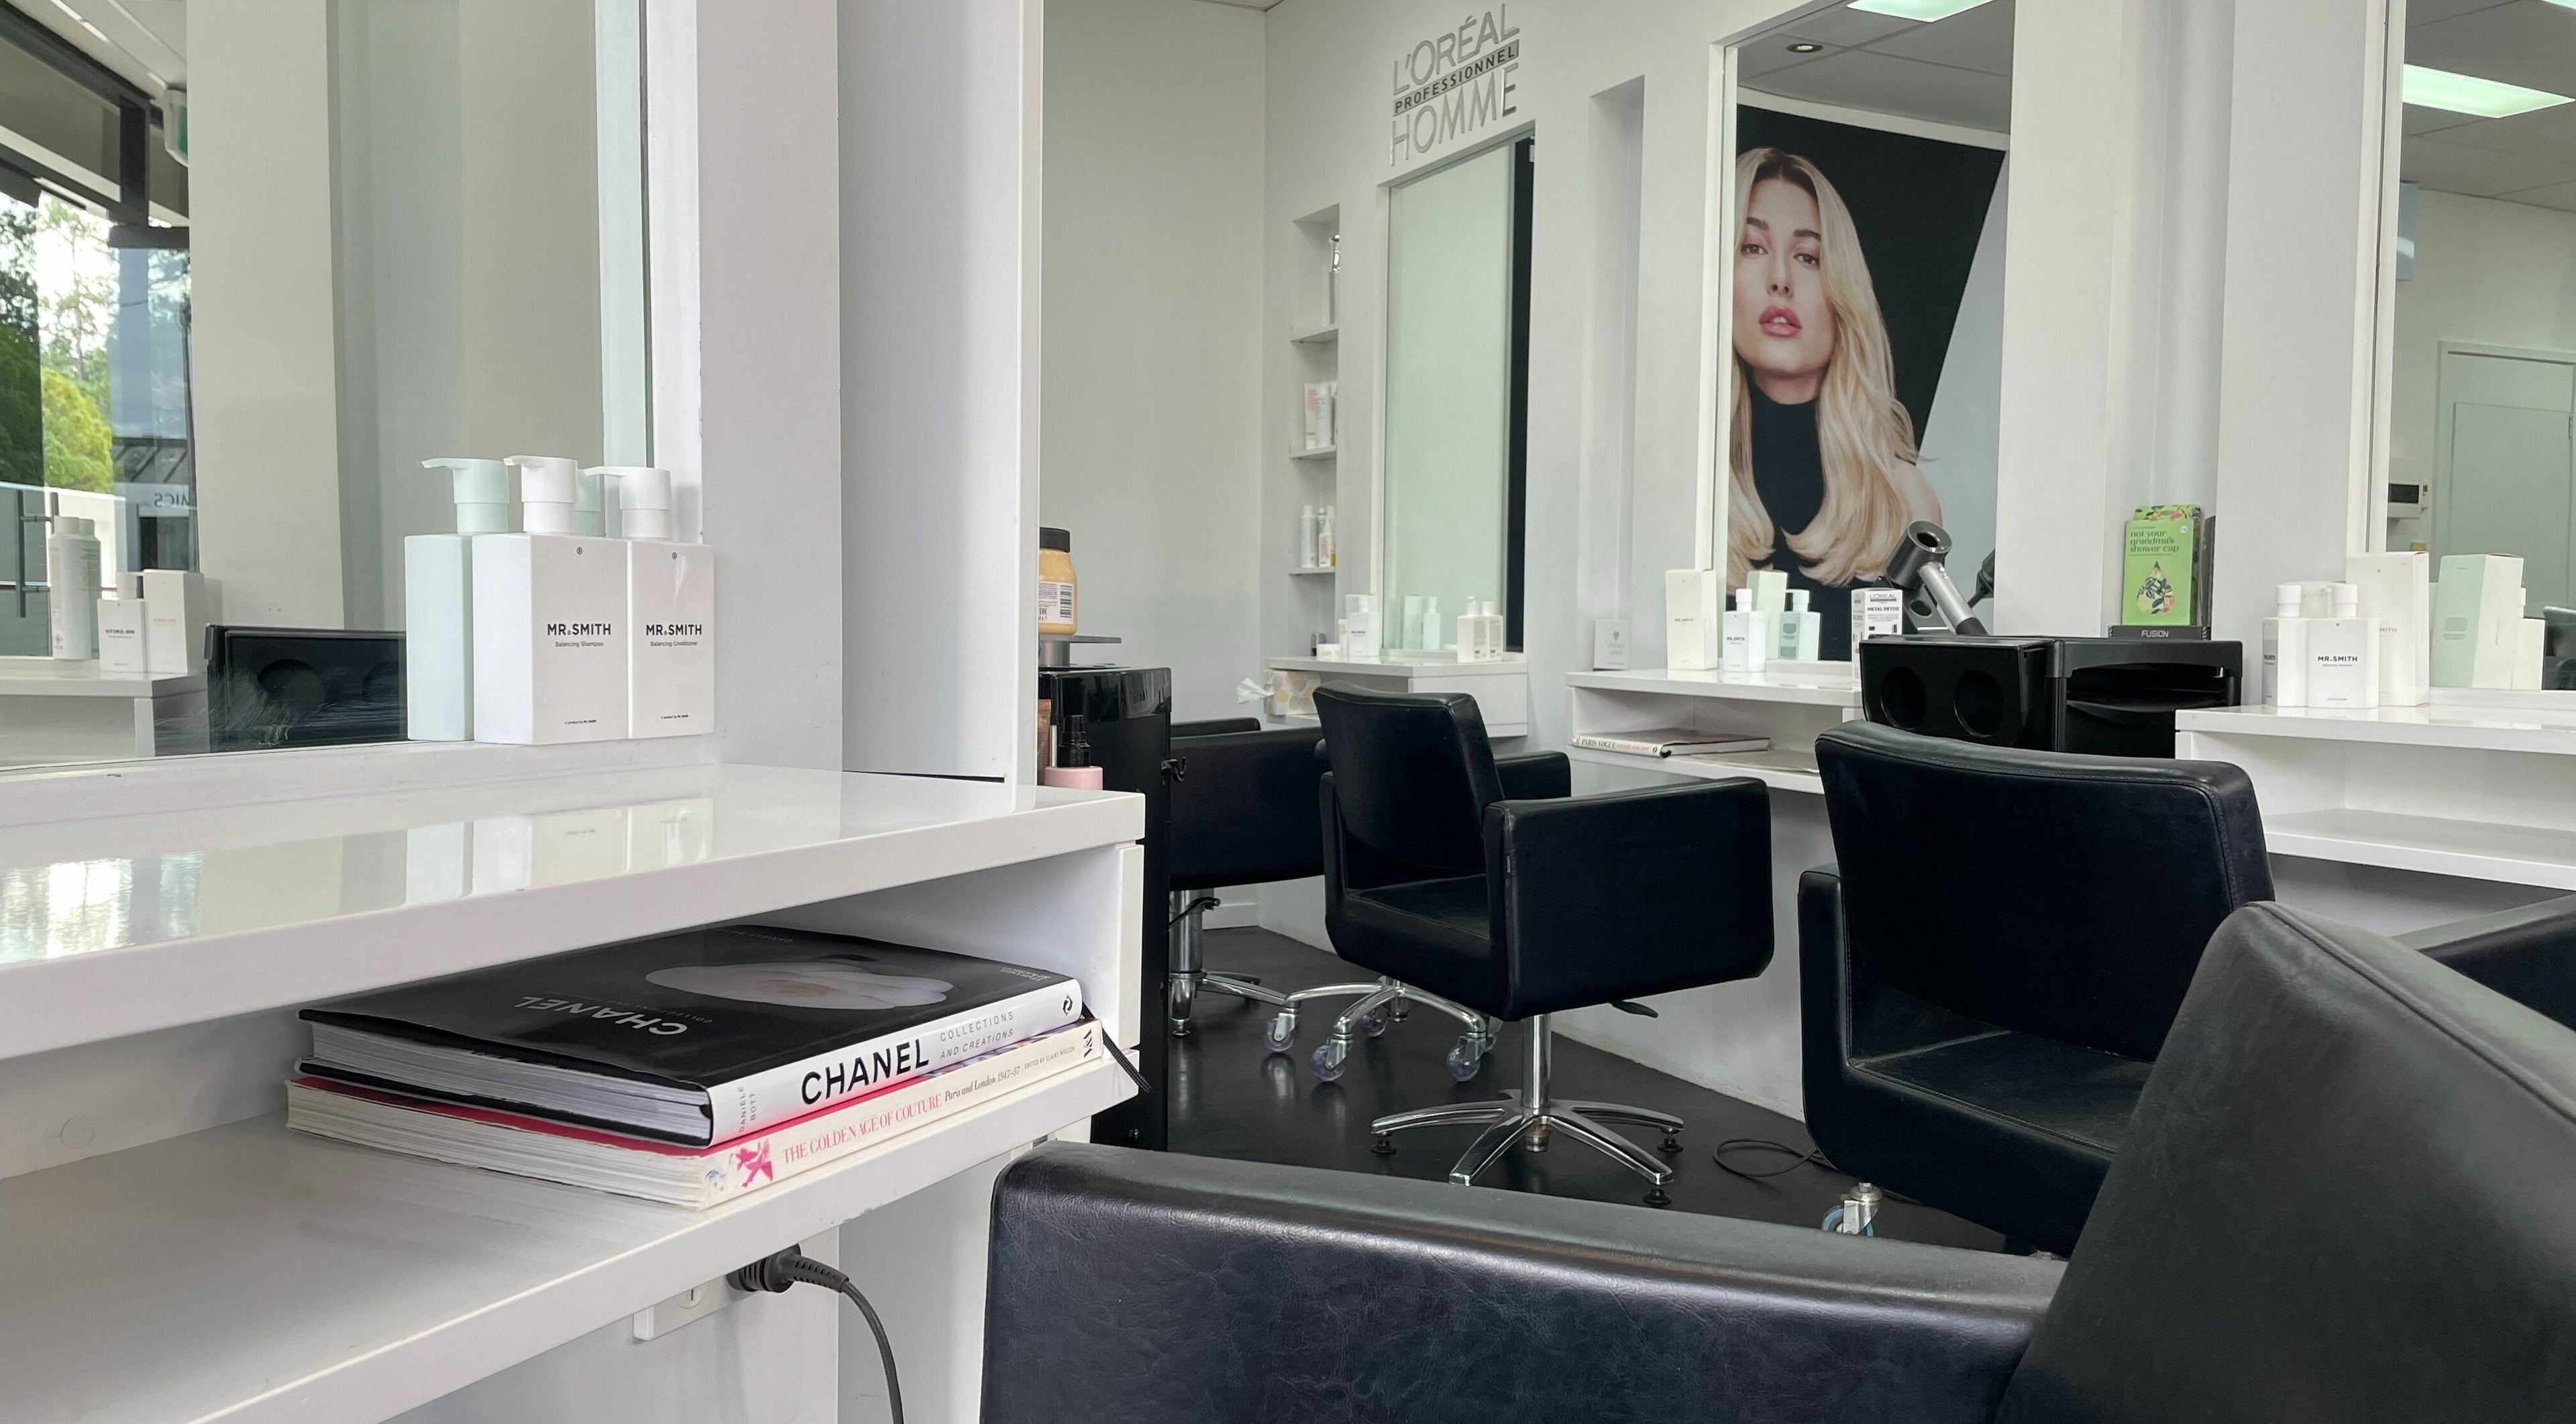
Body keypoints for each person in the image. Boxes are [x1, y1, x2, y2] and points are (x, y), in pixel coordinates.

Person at [1728, 146, 1941, 659]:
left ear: (1842, 290)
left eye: (1808, 257)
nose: (1780, 278)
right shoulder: (1691, 490)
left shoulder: (1900, 496)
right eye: (1753, 247)